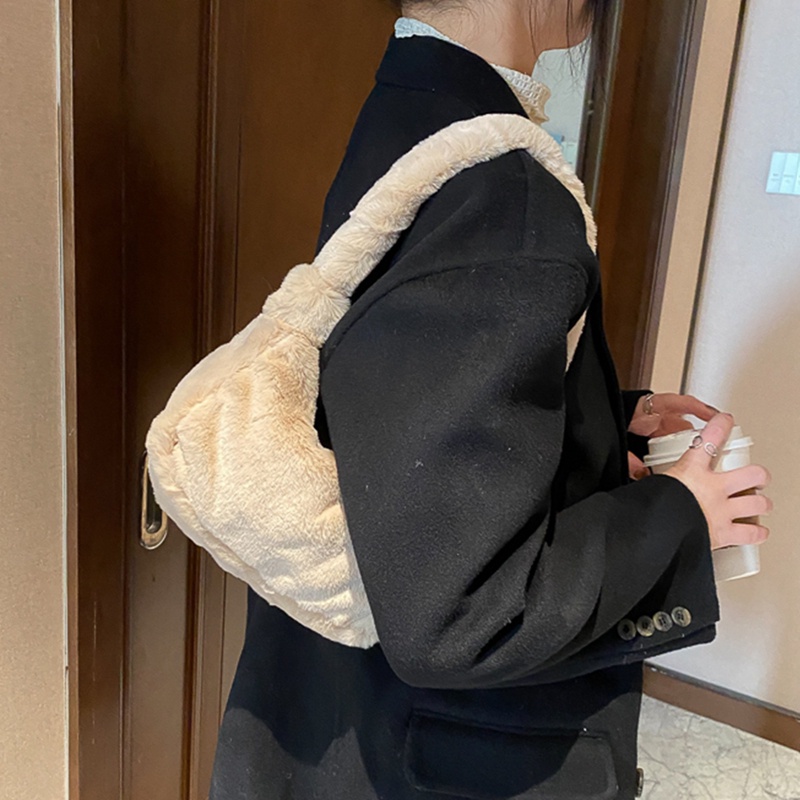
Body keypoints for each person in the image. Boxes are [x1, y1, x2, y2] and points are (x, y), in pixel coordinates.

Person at [209, 2, 774, 798]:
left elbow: (404, 401)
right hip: (444, 758)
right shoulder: (503, 193)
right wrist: (678, 516)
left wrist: (601, 417)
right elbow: (462, 618)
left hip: (338, 716)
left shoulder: (409, 110)